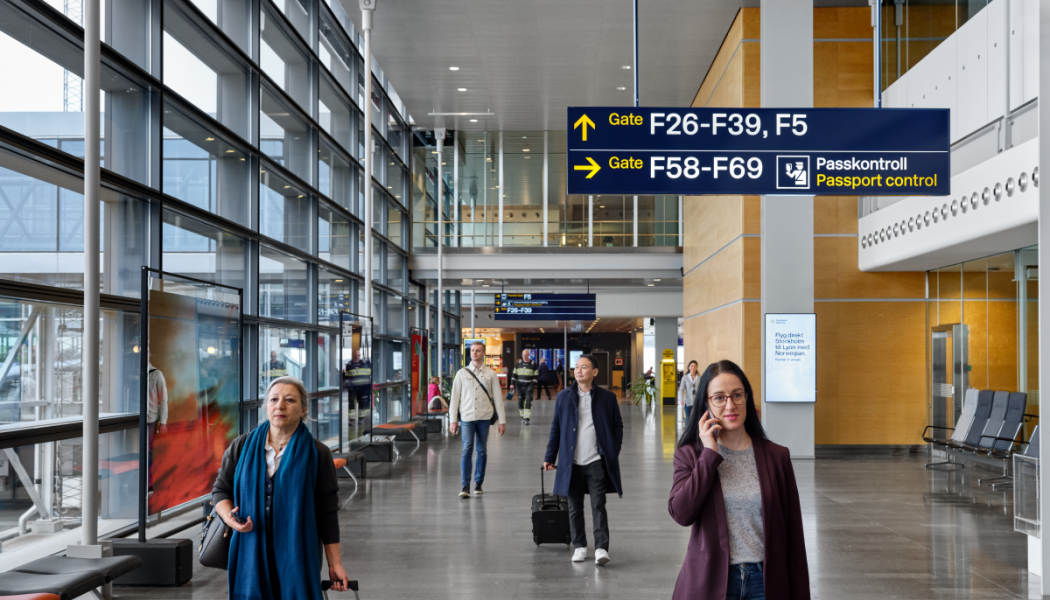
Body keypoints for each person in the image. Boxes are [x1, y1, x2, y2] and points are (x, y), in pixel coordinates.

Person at [668, 360, 810, 600]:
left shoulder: (777, 457)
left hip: (765, 583)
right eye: (719, 397)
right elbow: (681, 514)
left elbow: (794, 536)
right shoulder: (690, 455)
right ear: (706, 404)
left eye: (737, 395)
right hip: (712, 581)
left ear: (748, 398)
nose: (730, 405)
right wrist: (709, 455)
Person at [213, 376, 350, 598]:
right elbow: (221, 490)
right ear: (266, 406)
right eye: (274, 399)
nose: (280, 406)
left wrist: (335, 564)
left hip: (298, 553)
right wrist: (230, 519)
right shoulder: (241, 447)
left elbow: (327, 512)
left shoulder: (318, 454)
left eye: (289, 400)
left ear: (303, 409)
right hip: (251, 550)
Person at [543, 354, 623, 566]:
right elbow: (556, 429)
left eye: (584, 367)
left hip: (596, 461)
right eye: (576, 367)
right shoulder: (563, 397)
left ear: (594, 372)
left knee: (599, 505)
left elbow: (617, 426)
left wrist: (613, 450)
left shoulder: (607, 398)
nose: (578, 371)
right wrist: (550, 457)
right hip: (571, 463)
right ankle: (579, 546)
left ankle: (601, 548)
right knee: (574, 506)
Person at [449, 341, 507, 498]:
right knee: (467, 448)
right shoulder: (462, 373)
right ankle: (465, 485)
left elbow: (498, 400)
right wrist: (453, 420)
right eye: (472, 350)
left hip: (484, 417)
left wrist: (502, 421)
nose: (474, 353)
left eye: (478, 350)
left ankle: (478, 483)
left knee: (481, 450)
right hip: (467, 417)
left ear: (483, 353)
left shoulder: (491, 374)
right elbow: (455, 398)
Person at [146, 345, 168, 491]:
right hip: (136, 419)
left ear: (150, 353)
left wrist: (163, 422)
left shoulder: (156, 374)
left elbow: (163, 400)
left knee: (148, 452)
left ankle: (148, 483)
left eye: (146, 351)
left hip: (151, 419)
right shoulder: (131, 373)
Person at [510, 349, 538, 425]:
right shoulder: (518, 363)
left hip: (529, 385)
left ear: (528, 355)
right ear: (521, 355)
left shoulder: (533, 364)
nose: (524, 357)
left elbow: (536, 376)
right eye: (523, 355)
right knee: (520, 402)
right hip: (520, 386)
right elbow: (514, 375)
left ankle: (527, 418)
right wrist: (512, 383)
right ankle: (522, 416)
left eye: (526, 355)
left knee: (528, 401)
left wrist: (532, 384)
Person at [343, 349, 372, 423]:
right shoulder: (349, 365)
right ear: (353, 355)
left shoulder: (364, 363)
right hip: (352, 388)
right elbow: (347, 376)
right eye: (356, 355)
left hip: (362, 387)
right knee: (351, 403)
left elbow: (369, 374)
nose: (357, 357)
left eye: (358, 355)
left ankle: (361, 418)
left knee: (362, 402)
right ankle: (351, 419)